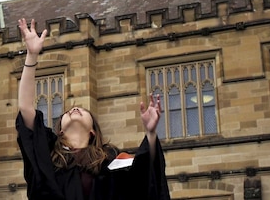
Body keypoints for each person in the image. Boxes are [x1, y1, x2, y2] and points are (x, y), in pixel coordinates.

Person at [16, 18, 171, 200]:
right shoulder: (49, 155)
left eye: (83, 111)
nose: (74, 110)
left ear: (92, 131)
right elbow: (26, 108)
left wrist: (151, 133)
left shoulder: (112, 159)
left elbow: (145, 180)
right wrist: (32, 55)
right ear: (59, 129)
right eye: (67, 112)